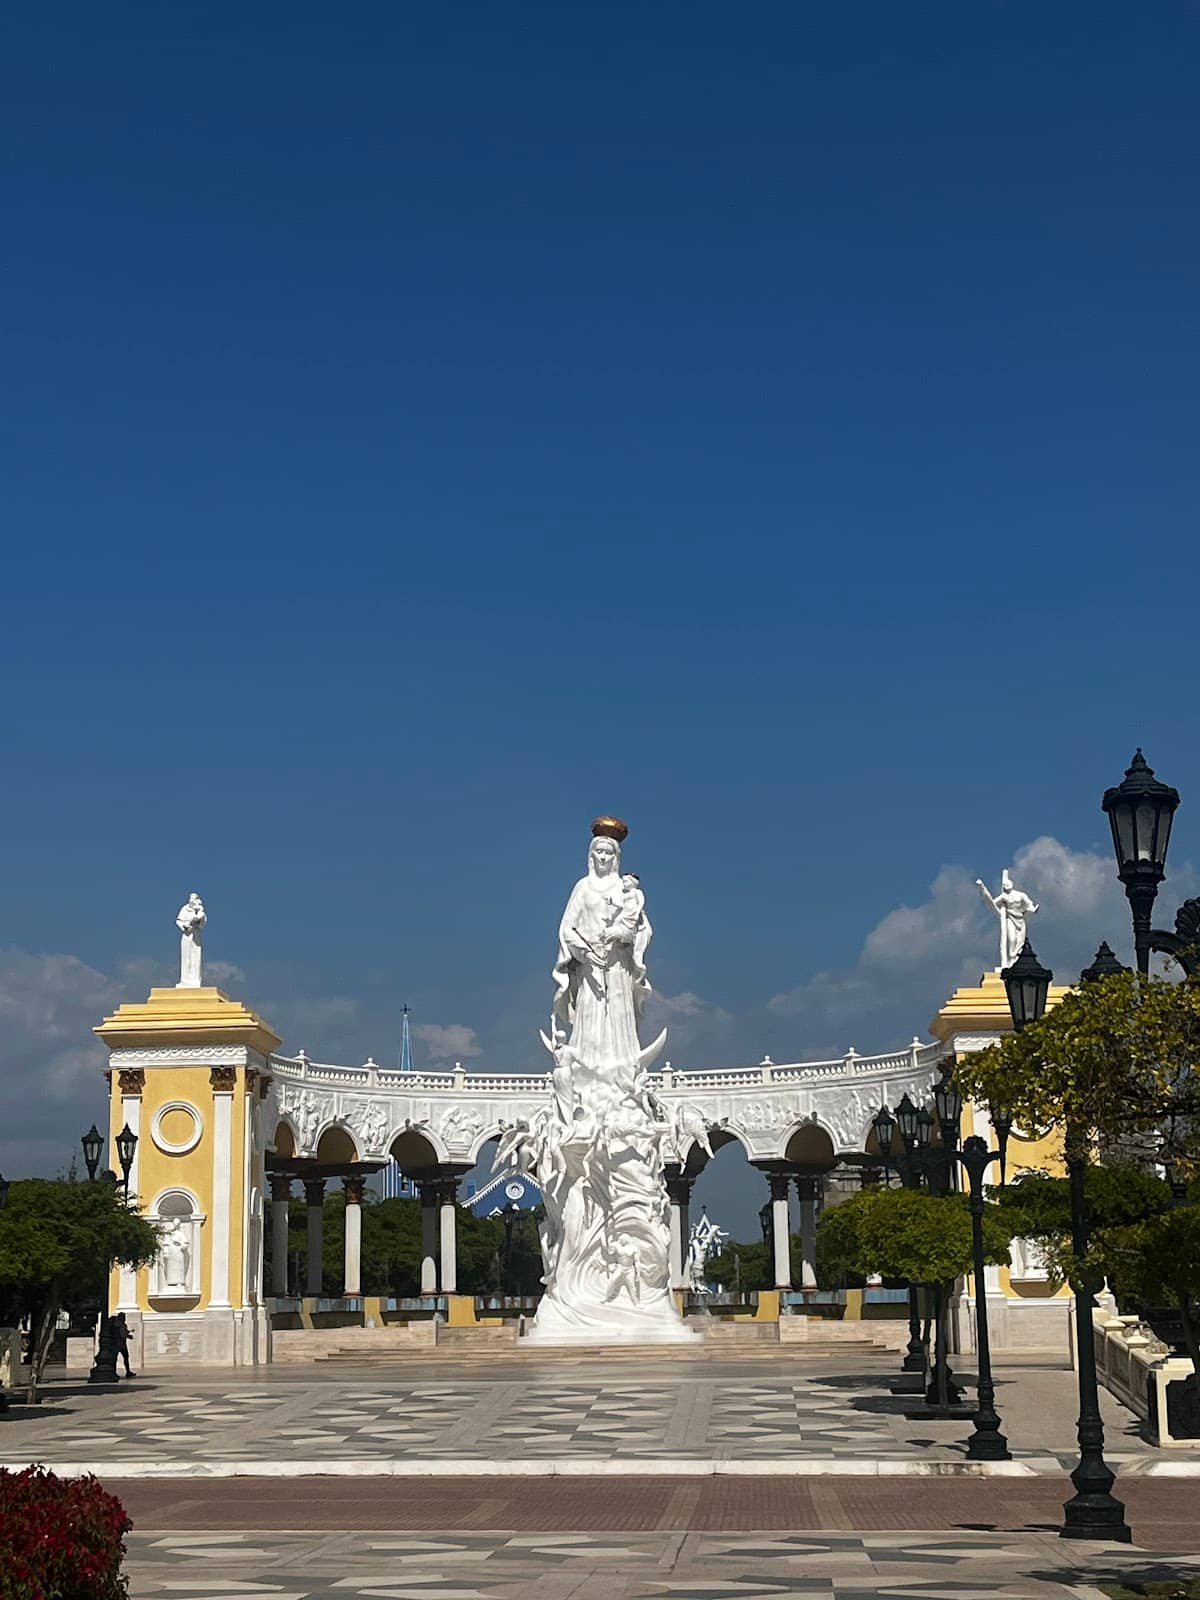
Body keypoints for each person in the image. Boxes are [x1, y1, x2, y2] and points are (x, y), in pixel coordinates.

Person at [113, 1312, 136, 1379]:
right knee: (125, 1357)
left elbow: (123, 1332)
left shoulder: (117, 1324)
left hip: (117, 1343)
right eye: (124, 1317)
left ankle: (115, 1372)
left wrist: (129, 1331)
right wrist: (129, 1336)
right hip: (121, 1344)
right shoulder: (121, 1324)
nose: (125, 1318)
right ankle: (127, 1371)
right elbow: (123, 1334)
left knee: (116, 1358)